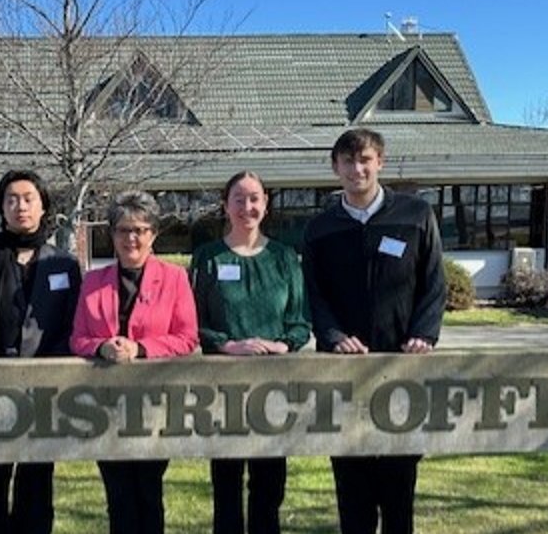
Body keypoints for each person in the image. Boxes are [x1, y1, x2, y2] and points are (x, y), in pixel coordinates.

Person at [300, 128, 445, 534]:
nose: (357, 169)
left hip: (403, 367)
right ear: (335, 168)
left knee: (399, 487)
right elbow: (315, 294)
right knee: (352, 486)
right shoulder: (320, 228)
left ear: (380, 162)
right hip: (344, 373)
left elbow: (434, 283)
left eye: (365, 160)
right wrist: (331, 336)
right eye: (348, 161)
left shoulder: (415, 215)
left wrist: (424, 333)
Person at [70, 190, 198, 534]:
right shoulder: (93, 282)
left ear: (153, 234)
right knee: (119, 498)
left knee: (148, 495)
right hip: (104, 407)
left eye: (140, 229)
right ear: (111, 235)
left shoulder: (175, 279)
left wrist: (139, 349)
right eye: (123, 230)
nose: (132, 238)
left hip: (154, 404)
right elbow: (78, 338)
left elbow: (187, 338)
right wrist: (101, 348)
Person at [190, 171, 311, 534]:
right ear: (225, 206)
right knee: (226, 486)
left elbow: (300, 321)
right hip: (222, 389)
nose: (247, 206)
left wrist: (282, 344)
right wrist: (227, 344)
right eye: (239, 199)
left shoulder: (285, 258)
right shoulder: (207, 257)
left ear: (266, 204)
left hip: (273, 388)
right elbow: (192, 321)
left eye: (254, 198)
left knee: (269, 487)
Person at [0, 170, 82, 534]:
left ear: (43, 205)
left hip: (45, 390)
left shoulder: (62, 263)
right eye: (11, 199)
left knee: (36, 479)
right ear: (1, 207)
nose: (20, 206)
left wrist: (48, 371)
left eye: (28, 198)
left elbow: (71, 324)